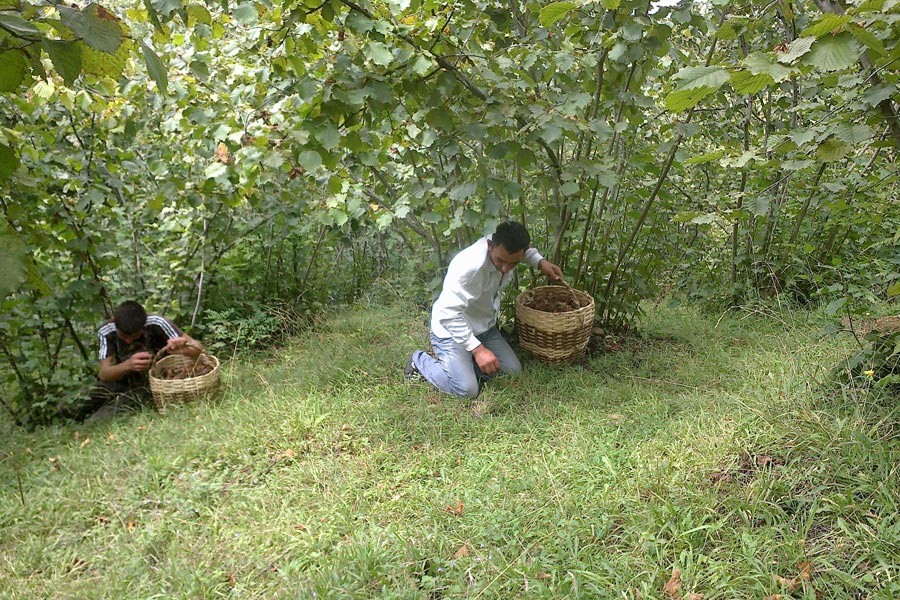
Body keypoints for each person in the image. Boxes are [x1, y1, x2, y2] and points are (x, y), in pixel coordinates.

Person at [405, 222, 564, 398]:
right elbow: (447, 314)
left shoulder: (507, 248)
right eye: (500, 261)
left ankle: (465, 365)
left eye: (513, 263)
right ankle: (419, 361)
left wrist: (541, 262)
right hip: (451, 331)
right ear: (489, 246)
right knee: (466, 390)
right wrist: (478, 350)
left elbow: (523, 252)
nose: (505, 268)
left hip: (484, 329)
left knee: (512, 371)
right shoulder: (470, 269)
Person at [69, 300, 202, 422]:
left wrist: (181, 348)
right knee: (68, 406)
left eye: (134, 336)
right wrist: (128, 365)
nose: (128, 341)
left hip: (150, 385)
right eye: (124, 336)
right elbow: (104, 374)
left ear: (143, 327)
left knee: (99, 419)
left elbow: (198, 349)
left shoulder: (158, 323)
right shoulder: (106, 331)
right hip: (119, 380)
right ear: (114, 321)